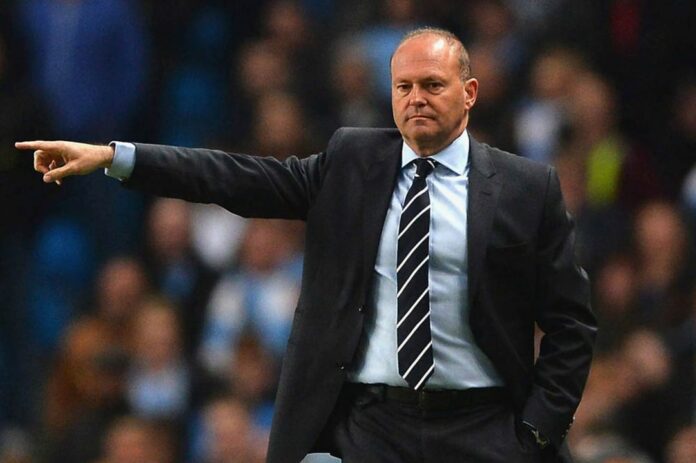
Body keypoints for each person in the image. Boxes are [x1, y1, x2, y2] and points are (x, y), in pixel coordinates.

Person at [16, 28, 596, 463]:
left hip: (483, 428)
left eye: (432, 85)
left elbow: (571, 323)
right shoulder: (351, 161)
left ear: (469, 93)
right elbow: (233, 177)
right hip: (372, 428)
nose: (416, 98)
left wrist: (536, 430)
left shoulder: (526, 188)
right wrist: (115, 157)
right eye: (403, 87)